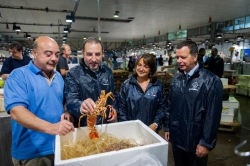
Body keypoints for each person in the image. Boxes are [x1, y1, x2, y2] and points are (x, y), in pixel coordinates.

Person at [4, 36, 74, 166]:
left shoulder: (58, 77)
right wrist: (52, 128)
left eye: (56, 54)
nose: (53, 58)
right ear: (34, 53)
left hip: (59, 146)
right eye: (48, 54)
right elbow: (16, 112)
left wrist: (67, 112)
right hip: (33, 153)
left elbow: (62, 102)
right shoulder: (19, 76)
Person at [164, 40, 223, 166]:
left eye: (183, 57)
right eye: (177, 57)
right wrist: (168, 127)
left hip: (196, 141)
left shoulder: (211, 81)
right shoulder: (176, 78)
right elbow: (170, 105)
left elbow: (212, 116)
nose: (179, 61)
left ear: (195, 56)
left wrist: (206, 143)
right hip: (177, 138)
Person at [64, 37, 118, 127]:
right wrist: (81, 105)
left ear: (102, 54)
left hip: (106, 125)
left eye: (97, 54)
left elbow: (114, 95)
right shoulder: (73, 74)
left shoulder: (107, 71)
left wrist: (115, 109)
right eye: (89, 54)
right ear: (83, 53)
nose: (93, 59)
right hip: (85, 126)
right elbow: (70, 100)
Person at [118, 54, 166, 132]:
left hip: (151, 130)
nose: (141, 69)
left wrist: (156, 123)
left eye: (146, 66)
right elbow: (121, 107)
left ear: (151, 69)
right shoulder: (127, 85)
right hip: (131, 130)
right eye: (139, 65)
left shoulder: (157, 86)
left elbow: (162, 107)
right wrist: (126, 125)